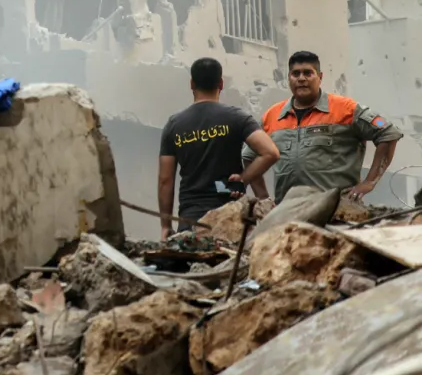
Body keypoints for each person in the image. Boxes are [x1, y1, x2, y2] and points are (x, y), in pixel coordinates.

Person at [245, 51, 402, 204]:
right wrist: (263, 198)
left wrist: (369, 182)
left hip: (337, 212)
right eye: (295, 74)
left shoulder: (347, 109)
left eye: (308, 73)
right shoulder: (271, 116)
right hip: (288, 213)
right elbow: (248, 156)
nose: (301, 78)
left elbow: (387, 132)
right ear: (289, 78)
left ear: (320, 77)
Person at [158, 57, 280, 239]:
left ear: (192, 84)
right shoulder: (237, 118)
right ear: (221, 84)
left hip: (191, 219)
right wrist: (243, 179)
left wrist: (165, 226)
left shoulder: (174, 125)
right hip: (231, 219)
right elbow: (270, 153)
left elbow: (165, 180)